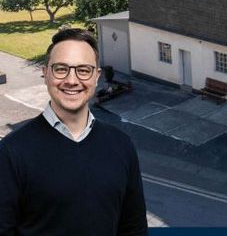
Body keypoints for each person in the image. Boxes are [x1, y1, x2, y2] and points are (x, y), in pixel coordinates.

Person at [0, 28, 148, 235]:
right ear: (45, 73)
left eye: (83, 70)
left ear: (96, 76)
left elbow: (134, 228)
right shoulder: (10, 152)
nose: (72, 80)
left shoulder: (122, 145)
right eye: (61, 69)